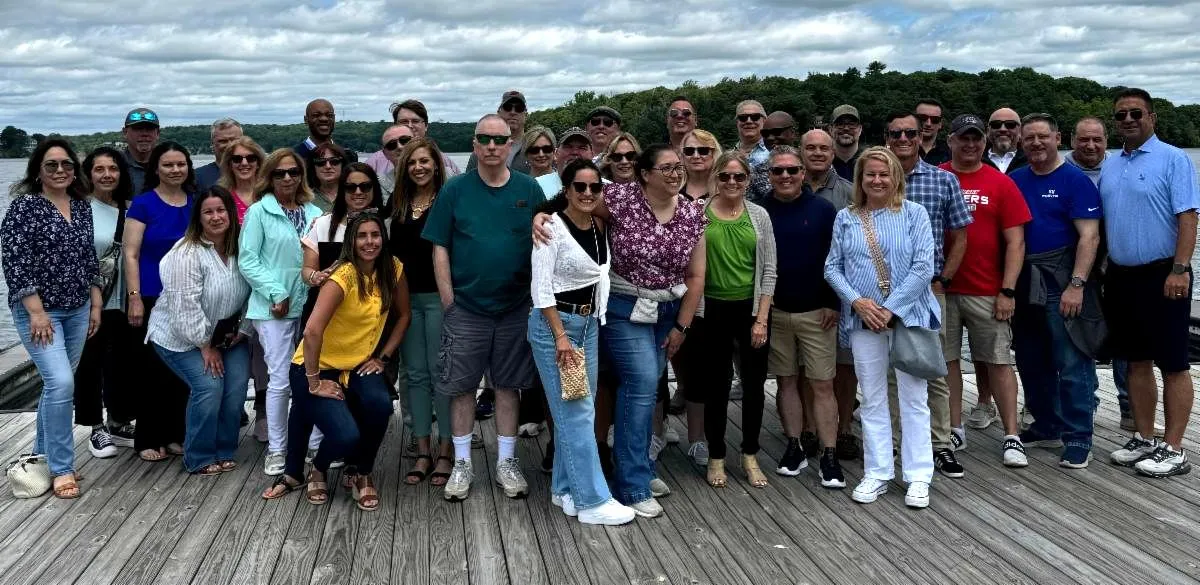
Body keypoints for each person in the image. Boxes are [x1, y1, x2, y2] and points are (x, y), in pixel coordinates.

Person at [537, 143, 707, 517]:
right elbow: (574, 203)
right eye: (666, 168)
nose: (676, 173)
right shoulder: (621, 199)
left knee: (645, 387)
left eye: (678, 167)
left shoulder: (692, 213)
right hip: (624, 307)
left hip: (668, 311)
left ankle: (637, 468)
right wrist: (540, 216)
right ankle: (632, 484)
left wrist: (682, 325)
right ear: (645, 174)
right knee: (643, 384)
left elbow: (696, 275)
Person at [423, 114, 545, 501]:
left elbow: (546, 243)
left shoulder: (529, 189)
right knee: (461, 388)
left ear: (511, 145)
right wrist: (449, 301)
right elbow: (440, 247)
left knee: (507, 387)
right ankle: (462, 463)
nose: (492, 146)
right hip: (466, 309)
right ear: (474, 145)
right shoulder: (455, 190)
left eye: (500, 139)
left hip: (515, 307)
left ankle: (506, 462)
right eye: (484, 139)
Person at [262, 213, 410, 510]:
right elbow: (312, 331)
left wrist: (383, 357)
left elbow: (404, 315)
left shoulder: (392, 268)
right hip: (314, 367)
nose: (369, 242)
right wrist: (314, 382)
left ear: (383, 238)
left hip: (357, 365)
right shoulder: (342, 276)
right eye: (362, 236)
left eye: (375, 235)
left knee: (381, 404)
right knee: (344, 435)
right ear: (351, 242)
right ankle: (317, 469)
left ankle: (362, 473)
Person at [824, 146, 941, 509]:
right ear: (860, 179)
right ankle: (878, 471)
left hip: (908, 317)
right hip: (864, 320)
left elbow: (924, 267)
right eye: (870, 174)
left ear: (896, 177)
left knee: (913, 398)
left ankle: (918, 475)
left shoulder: (914, 213)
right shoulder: (846, 218)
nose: (877, 180)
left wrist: (890, 309)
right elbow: (832, 268)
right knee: (873, 398)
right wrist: (857, 302)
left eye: (883, 174)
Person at [528, 159, 637, 525]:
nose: (588, 193)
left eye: (594, 187)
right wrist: (560, 336)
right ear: (567, 189)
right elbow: (541, 290)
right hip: (557, 329)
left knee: (574, 410)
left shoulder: (598, 225)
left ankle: (564, 489)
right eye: (580, 186)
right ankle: (592, 500)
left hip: (588, 325)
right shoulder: (551, 228)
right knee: (577, 413)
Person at [1103, 88, 1200, 478]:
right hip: (1121, 276)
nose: (1128, 120)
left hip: (1164, 274)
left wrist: (1180, 268)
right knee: (1136, 360)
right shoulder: (1112, 164)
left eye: (1136, 113)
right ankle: (1145, 437)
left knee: (1174, 362)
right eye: (1121, 115)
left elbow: (1188, 217)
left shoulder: (1173, 159)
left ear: (1152, 117)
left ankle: (1174, 448)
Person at [2, 139, 103, 499]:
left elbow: (89, 260)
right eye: (51, 165)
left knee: (55, 386)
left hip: (78, 309)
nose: (60, 170)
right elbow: (16, 263)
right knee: (60, 382)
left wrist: (95, 304)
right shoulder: (25, 207)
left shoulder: (81, 206)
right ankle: (62, 468)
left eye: (66, 164)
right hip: (40, 312)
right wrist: (37, 313)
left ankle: (42, 458)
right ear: (38, 171)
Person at [1009, 113, 1104, 469]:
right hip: (1024, 279)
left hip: (1062, 277)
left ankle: (1079, 436)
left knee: (1072, 358)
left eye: (1042, 137)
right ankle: (1047, 424)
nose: (1036, 143)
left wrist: (1076, 285)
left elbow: (1089, 237)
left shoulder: (1076, 181)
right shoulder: (1016, 179)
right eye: (1029, 138)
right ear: (1021, 142)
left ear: (1058, 138)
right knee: (1031, 358)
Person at [938, 114, 1033, 466]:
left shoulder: (1001, 183)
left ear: (984, 142)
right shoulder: (936, 177)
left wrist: (1007, 290)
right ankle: (954, 428)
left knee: (998, 361)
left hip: (987, 290)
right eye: (963, 138)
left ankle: (1011, 435)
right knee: (946, 361)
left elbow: (1016, 242)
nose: (970, 144)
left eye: (976, 138)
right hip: (942, 290)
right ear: (950, 140)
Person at [883, 112, 972, 479]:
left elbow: (960, 236)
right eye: (896, 133)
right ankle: (893, 441)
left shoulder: (943, 179)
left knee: (934, 368)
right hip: (885, 292)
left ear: (921, 137)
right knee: (890, 369)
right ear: (887, 137)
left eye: (910, 133)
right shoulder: (877, 178)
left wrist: (944, 280)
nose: (903, 139)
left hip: (928, 291)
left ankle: (940, 443)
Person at [147, 187, 251, 475]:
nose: (216, 217)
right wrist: (206, 345)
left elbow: (255, 292)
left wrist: (243, 330)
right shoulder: (186, 253)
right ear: (198, 217)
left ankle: (225, 448)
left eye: (221, 210)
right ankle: (199, 456)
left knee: (236, 388)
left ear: (231, 213)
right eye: (208, 212)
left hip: (230, 334)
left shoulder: (242, 247)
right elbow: (185, 308)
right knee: (209, 386)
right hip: (179, 336)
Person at [688, 152, 776, 490]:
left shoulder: (759, 215)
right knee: (717, 385)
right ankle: (716, 454)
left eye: (739, 176)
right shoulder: (698, 213)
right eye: (725, 176)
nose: (732, 182)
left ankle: (750, 453)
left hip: (751, 309)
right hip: (711, 309)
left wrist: (762, 319)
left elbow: (769, 270)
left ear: (748, 180)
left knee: (754, 385)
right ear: (715, 177)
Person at [759, 146, 844, 483]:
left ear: (803, 173)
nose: (785, 176)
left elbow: (837, 258)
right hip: (776, 311)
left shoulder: (823, 210)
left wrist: (833, 302)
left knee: (822, 384)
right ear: (769, 175)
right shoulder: (760, 210)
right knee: (786, 381)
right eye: (778, 171)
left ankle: (829, 452)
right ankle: (794, 444)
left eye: (792, 170)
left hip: (817, 312)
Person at [239, 148, 325, 476]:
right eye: (279, 173)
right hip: (272, 307)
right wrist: (276, 292)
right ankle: (278, 449)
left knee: (313, 374)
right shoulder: (259, 212)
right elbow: (248, 259)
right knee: (279, 378)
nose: (287, 178)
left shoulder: (315, 212)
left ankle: (314, 442)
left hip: (310, 304)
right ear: (269, 177)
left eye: (293, 172)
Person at [124, 141, 197, 462]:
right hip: (152, 295)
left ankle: (174, 434)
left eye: (180, 164)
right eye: (168, 164)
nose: (175, 170)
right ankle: (148, 437)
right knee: (151, 369)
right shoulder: (143, 204)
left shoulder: (195, 202)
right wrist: (134, 298)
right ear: (156, 168)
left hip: (187, 296)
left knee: (181, 368)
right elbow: (130, 253)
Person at [389, 137, 454, 485]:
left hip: (439, 299)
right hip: (406, 300)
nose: (418, 167)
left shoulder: (448, 200)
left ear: (436, 165)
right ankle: (422, 448)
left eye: (425, 161)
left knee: (440, 372)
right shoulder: (398, 203)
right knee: (415, 374)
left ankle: (446, 449)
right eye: (412, 162)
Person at [1066, 117, 1134, 429]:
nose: (1090, 146)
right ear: (1071, 140)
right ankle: (1086, 403)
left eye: (1097, 139)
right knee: (1081, 338)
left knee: (1124, 336)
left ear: (1107, 140)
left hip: (1117, 265)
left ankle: (1129, 408)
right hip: (1075, 267)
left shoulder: (1119, 168)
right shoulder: (1062, 170)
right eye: (1084, 139)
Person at [74, 147, 137, 457]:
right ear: (88, 174)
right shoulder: (80, 209)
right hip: (91, 300)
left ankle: (119, 420)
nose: (107, 175)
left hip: (126, 299)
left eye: (113, 169)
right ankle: (94, 426)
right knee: (90, 364)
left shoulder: (131, 208)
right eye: (99, 169)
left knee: (122, 362)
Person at [215, 135, 270, 439]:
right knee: (231, 344)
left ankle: (263, 411)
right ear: (228, 163)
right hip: (232, 279)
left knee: (262, 350)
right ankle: (230, 411)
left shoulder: (269, 194)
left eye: (251, 158)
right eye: (237, 159)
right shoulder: (222, 197)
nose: (245, 163)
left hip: (264, 281)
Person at [301, 162, 385, 324]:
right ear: (342, 190)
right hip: (327, 313)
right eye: (350, 187)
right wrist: (316, 276)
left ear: (374, 188)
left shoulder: (386, 225)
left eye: (365, 186)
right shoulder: (323, 224)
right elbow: (307, 269)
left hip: (370, 314)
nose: (358, 192)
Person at [390, 98, 462, 176]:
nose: (410, 126)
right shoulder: (380, 162)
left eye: (415, 121)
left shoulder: (446, 163)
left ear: (426, 126)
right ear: (395, 126)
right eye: (404, 122)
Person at [465, 91, 531, 174]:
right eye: (507, 107)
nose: (513, 112)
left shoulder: (537, 148)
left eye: (519, 108)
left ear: (526, 115)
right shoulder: (480, 151)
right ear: (499, 113)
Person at [748, 112, 797, 202]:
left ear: (792, 133)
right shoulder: (757, 172)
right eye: (765, 134)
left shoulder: (810, 165)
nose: (770, 138)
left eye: (776, 132)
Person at [293, 99, 358, 165]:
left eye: (329, 115)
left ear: (334, 118)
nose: (324, 119)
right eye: (316, 115)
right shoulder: (294, 157)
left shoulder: (348, 156)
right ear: (306, 120)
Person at [802, 129, 854, 211]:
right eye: (811, 148)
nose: (818, 153)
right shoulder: (787, 187)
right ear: (801, 152)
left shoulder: (851, 192)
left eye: (824, 148)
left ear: (833, 154)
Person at [536, 128, 593, 198]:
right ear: (556, 154)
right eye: (568, 147)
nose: (575, 152)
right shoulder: (537, 186)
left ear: (592, 155)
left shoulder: (604, 188)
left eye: (582, 148)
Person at [364, 124, 415, 201]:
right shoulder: (376, 186)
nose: (400, 147)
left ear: (418, 142)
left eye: (405, 140)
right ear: (385, 154)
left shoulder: (434, 179)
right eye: (391, 145)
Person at [196, 118, 243, 192]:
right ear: (212, 144)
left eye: (234, 140)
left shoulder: (258, 175)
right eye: (223, 141)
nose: (229, 145)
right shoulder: (196, 177)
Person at [121, 107, 161, 195]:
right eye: (138, 129)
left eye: (149, 129)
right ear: (125, 132)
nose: (144, 134)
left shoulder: (170, 166)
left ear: (158, 133)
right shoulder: (115, 165)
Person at [680, 129, 722, 202]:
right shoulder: (672, 188)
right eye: (689, 151)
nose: (696, 156)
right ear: (683, 155)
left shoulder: (724, 189)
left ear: (714, 154)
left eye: (703, 151)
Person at [308, 142, 349, 213]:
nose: (328, 166)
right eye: (321, 162)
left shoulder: (354, 193)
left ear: (343, 165)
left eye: (334, 161)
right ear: (313, 167)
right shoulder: (305, 198)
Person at [985, 108, 1028, 174]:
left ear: (1020, 131)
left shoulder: (1031, 161)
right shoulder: (976, 161)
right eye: (996, 124)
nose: (1003, 129)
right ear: (988, 131)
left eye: (1010, 124)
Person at [830, 105, 863, 181]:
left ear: (860, 129)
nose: (846, 128)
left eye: (851, 124)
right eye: (840, 124)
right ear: (831, 129)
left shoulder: (868, 161)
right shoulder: (824, 163)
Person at [732, 100, 769, 167]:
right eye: (743, 117)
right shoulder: (729, 156)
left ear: (764, 121)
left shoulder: (774, 152)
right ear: (737, 122)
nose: (749, 121)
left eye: (755, 117)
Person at [915, 99, 951, 166]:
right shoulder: (903, 148)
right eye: (923, 118)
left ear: (940, 124)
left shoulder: (950, 152)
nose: (928, 124)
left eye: (935, 120)